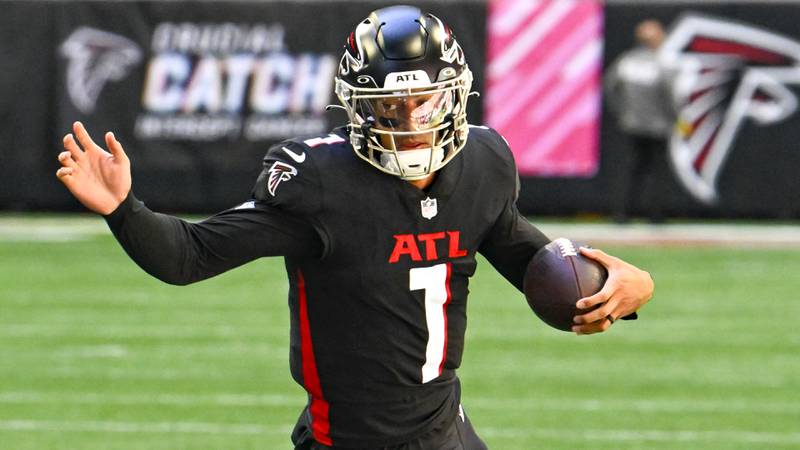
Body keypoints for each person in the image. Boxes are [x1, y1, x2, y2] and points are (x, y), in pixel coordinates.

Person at [56, 6, 653, 449]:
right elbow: (187, 256)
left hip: (445, 427)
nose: (411, 120)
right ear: (357, 106)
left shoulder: (484, 163)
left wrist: (624, 287)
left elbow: (529, 259)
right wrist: (123, 208)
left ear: (456, 97)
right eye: (391, 107)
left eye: (425, 101)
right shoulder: (321, 183)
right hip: (346, 439)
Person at [605, 19, 675, 223]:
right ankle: (656, 215)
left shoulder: (627, 62)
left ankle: (623, 214)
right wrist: (675, 118)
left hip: (632, 123)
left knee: (632, 170)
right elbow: (670, 95)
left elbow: (610, 88)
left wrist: (622, 112)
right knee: (658, 172)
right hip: (659, 125)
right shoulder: (662, 63)